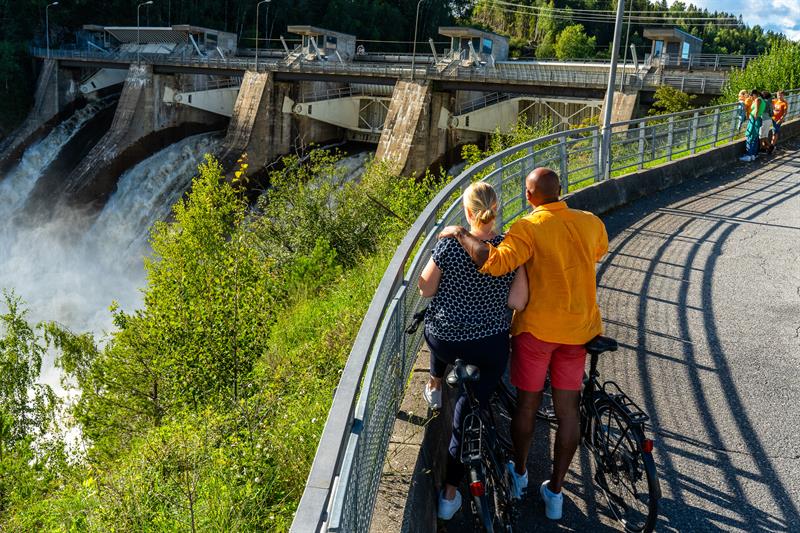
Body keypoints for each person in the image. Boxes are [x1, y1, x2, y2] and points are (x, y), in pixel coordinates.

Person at [439, 168, 608, 521]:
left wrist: (459, 234)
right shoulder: (591, 221)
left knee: (528, 406)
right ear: (561, 191)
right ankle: (556, 494)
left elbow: (495, 263)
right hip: (579, 331)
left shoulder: (527, 228)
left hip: (538, 333)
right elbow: (596, 252)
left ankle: (518, 474)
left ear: (529, 198)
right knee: (568, 412)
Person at [418, 181, 528, 520]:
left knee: (431, 326)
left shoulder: (450, 245)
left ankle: (436, 383)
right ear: (496, 211)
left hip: (447, 341)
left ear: (467, 213)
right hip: (490, 347)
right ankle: (450, 495)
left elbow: (425, 289)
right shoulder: (507, 251)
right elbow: (518, 301)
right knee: (466, 414)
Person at [740, 89, 763, 162]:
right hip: (757, 119)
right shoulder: (761, 100)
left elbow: (756, 110)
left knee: (749, 136)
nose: (751, 98)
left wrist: (753, 120)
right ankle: (753, 155)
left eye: (751, 96)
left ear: (754, 95)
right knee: (755, 138)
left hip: (754, 120)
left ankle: (749, 155)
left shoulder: (757, 100)